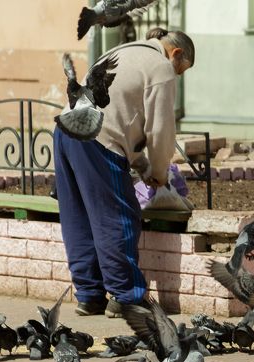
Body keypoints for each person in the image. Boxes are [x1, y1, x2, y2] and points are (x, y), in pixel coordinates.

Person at [54, 28, 195, 317]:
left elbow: (121, 112)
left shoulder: (121, 50)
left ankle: (90, 295)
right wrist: (158, 171)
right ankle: (126, 294)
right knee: (117, 216)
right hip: (98, 138)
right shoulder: (160, 67)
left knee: (78, 216)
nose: (178, 76)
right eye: (181, 70)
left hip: (65, 131)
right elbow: (160, 130)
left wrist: (141, 164)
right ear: (176, 53)